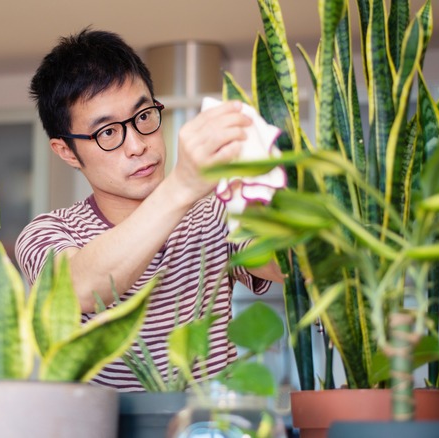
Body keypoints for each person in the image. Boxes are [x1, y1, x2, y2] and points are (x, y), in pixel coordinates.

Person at [15, 28, 284, 391]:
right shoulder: (48, 232)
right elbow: (78, 288)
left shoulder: (215, 215)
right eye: (108, 132)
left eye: (143, 117)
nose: (138, 145)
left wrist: (267, 179)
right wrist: (183, 186)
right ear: (65, 151)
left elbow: (293, 266)